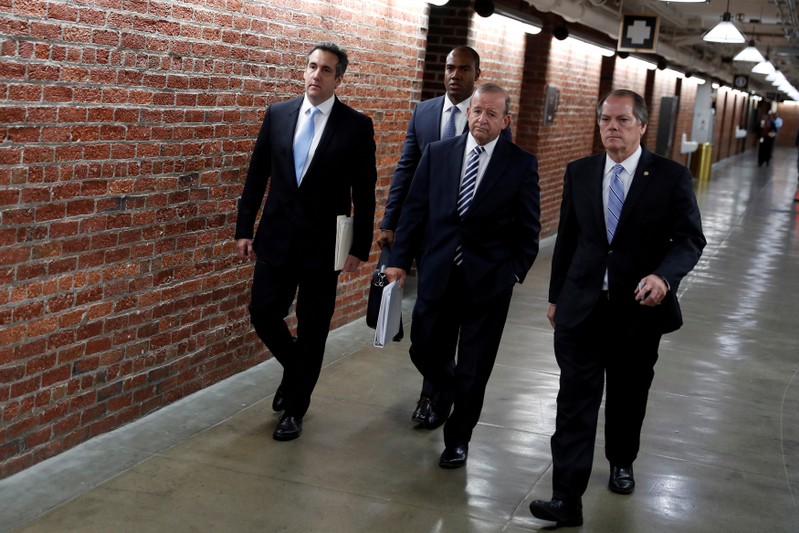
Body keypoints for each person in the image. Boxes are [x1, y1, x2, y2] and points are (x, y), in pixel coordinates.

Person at [529, 89, 706, 527]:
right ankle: (566, 497)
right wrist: (556, 297)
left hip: (637, 311)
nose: (612, 127)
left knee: (627, 395)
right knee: (574, 401)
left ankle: (622, 459)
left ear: (642, 126)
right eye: (606, 119)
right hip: (583, 308)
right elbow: (568, 239)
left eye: (623, 120)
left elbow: (689, 239)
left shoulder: (669, 177)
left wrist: (664, 277)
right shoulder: (581, 172)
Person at [385, 83, 541, 468]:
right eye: (476, 111)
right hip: (438, 273)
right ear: (468, 113)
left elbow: (528, 228)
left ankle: (459, 439)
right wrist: (398, 261)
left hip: (488, 283)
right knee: (423, 346)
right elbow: (415, 211)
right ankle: (451, 389)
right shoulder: (439, 154)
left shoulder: (520, 163)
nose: (481, 119)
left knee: (476, 364)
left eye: (491, 114)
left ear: (505, 121)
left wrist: (512, 274)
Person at [235, 42, 376, 442]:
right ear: (304, 71)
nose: (317, 74)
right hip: (275, 238)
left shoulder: (355, 125)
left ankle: (295, 409)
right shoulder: (278, 114)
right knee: (263, 312)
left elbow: (364, 192)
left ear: (339, 78)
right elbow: (256, 175)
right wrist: (244, 229)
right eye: (312, 66)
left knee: (313, 328)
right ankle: (298, 371)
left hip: (323, 247)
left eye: (327, 70)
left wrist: (357, 247)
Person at [377, 45, 499, 426]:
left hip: (468, 244)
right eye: (450, 68)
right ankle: (445, 384)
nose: (454, 75)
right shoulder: (425, 112)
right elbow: (406, 169)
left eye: (464, 69)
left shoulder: (484, 117)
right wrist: (390, 221)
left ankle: (431, 398)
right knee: (429, 329)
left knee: (453, 324)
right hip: (426, 235)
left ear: (476, 74)